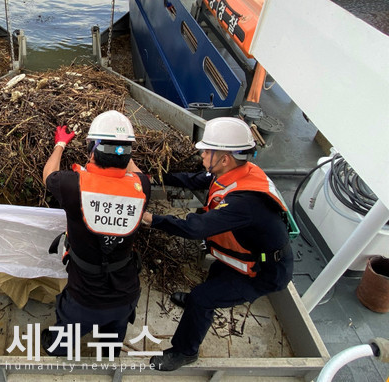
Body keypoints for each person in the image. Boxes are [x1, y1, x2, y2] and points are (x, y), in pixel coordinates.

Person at [143, 117, 293, 371]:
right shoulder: (237, 172)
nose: (202, 154)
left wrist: (151, 219)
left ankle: (184, 352)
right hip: (247, 255)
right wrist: (152, 176)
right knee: (215, 273)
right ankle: (196, 306)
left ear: (224, 159)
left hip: (265, 271)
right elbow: (195, 180)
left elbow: (194, 228)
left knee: (203, 298)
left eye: (207, 151)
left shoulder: (245, 202)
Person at [41, 110, 151, 358]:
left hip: (84, 296)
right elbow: (137, 173)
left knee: (63, 339)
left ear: (92, 150)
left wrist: (60, 144)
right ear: (128, 152)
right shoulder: (142, 187)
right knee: (111, 345)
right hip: (126, 293)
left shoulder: (72, 185)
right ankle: (109, 354)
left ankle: (59, 347)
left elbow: (48, 175)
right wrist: (122, 148)